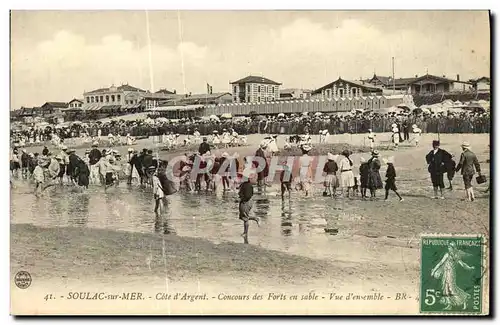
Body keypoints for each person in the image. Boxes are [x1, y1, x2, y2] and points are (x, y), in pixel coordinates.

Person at [238, 168, 259, 238]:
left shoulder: (248, 185)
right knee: (243, 216)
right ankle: (255, 218)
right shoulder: (245, 184)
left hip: (246, 201)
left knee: (245, 218)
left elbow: (248, 195)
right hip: (245, 201)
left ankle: (245, 233)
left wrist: (243, 200)